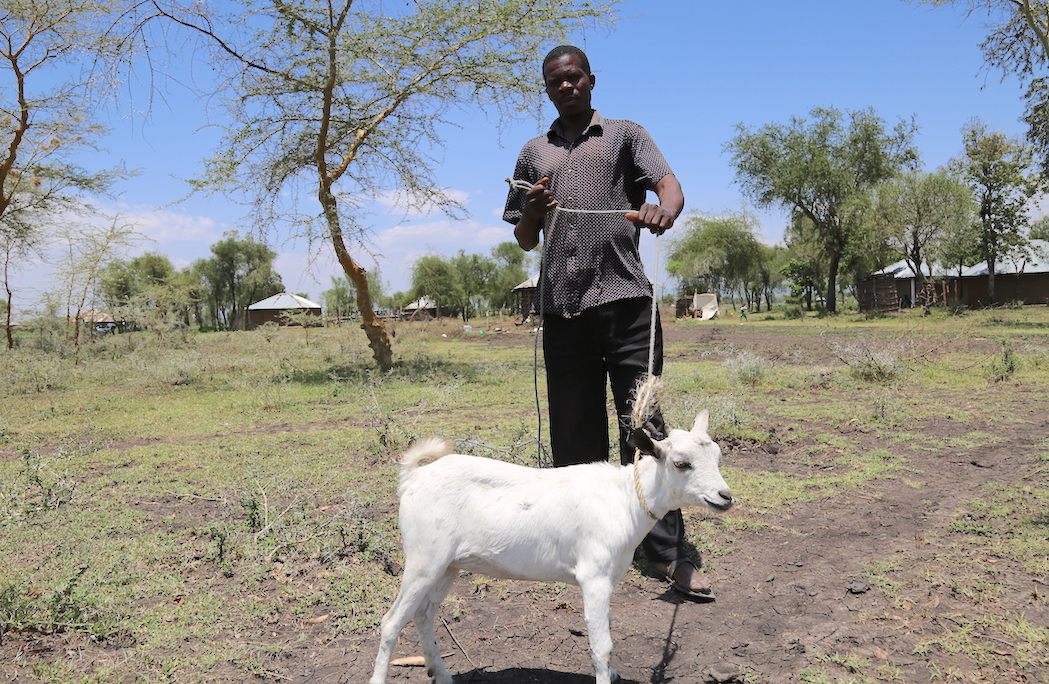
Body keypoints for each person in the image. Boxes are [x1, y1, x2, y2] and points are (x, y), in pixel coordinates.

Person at [503, 45, 714, 601]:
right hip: (563, 309)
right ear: (546, 89)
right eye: (555, 81)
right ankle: (586, 546)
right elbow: (524, 236)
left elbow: (669, 185)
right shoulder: (533, 153)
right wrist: (533, 211)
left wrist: (663, 209)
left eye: (574, 77)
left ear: (591, 80)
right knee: (575, 434)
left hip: (626, 304)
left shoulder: (624, 134)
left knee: (645, 428)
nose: (566, 86)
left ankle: (666, 551)